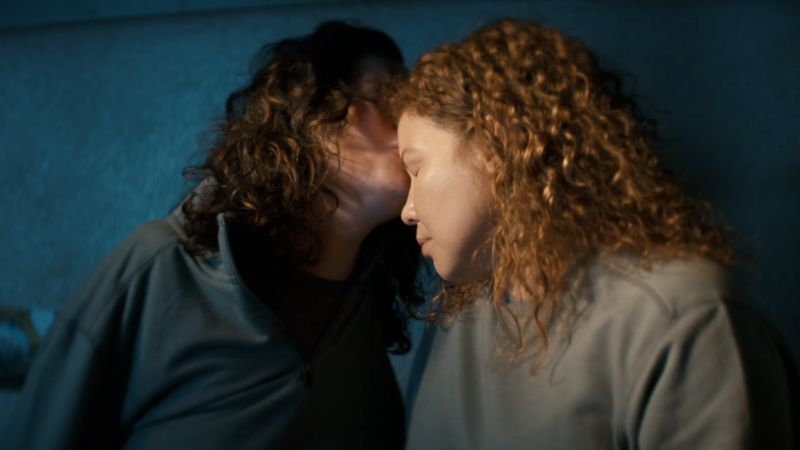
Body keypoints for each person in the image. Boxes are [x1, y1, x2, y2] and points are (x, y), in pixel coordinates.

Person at [0, 21, 422, 449]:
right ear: (304, 110)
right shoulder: (156, 269)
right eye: (376, 98)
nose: (406, 124)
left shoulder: (364, 318)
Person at [388, 19, 799, 449]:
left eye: (416, 168)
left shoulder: (688, 316)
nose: (408, 211)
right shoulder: (457, 319)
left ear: (494, 145)